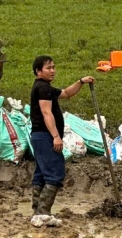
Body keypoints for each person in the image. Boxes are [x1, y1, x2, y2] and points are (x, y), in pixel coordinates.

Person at [29, 55, 94, 228]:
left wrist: (81, 82)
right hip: (45, 135)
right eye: (48, 68)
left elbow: (66, 93)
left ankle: (38, 213)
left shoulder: (46, 87)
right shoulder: (42, 88)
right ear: (38, 71)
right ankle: (42, 213)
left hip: (40, 136)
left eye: (53, 67)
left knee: (42, 174)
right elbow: (46, 113)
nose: (53, 71)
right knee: (54, 174)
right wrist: (56, 136)